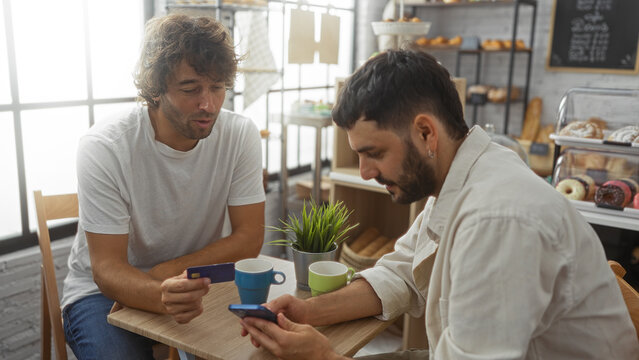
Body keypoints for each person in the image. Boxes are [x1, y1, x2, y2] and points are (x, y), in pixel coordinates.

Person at [239, 50, 639, 359]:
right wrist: (309, 313)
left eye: (374, 152)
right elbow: (403, 274)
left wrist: (324, 355)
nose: (363, 172)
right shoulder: (464, 176)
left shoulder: (498, 218)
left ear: (426, 132)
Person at [61, 14, 266, 359]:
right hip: (100, 294)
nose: (209, 104)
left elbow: (249, 239)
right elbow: (106, 269)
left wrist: (168, 273)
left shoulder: (240, 134)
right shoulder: (106, 146)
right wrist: (159, 292)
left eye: (218, 87)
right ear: (155, 89)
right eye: (191, 89)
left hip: (198, 280)